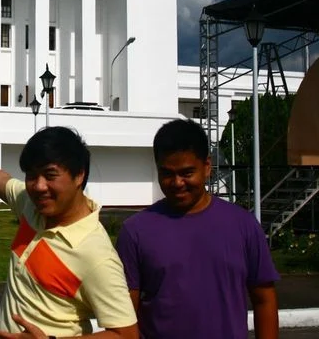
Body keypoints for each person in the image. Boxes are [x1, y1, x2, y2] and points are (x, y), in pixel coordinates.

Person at [0, 126, 138, 339]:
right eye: (31, 176)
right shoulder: (31, 206)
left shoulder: (97, 255)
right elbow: (1, 183)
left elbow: (126, 334)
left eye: (50, 175)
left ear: (79, 174)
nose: (39, 186)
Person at [116, 118, 279, 339]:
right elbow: (126, 317)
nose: (177, 183)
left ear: (207, 167)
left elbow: (264, 300)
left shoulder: (244, 225)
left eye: (186, 173)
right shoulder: (135, 232)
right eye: (167, 173)